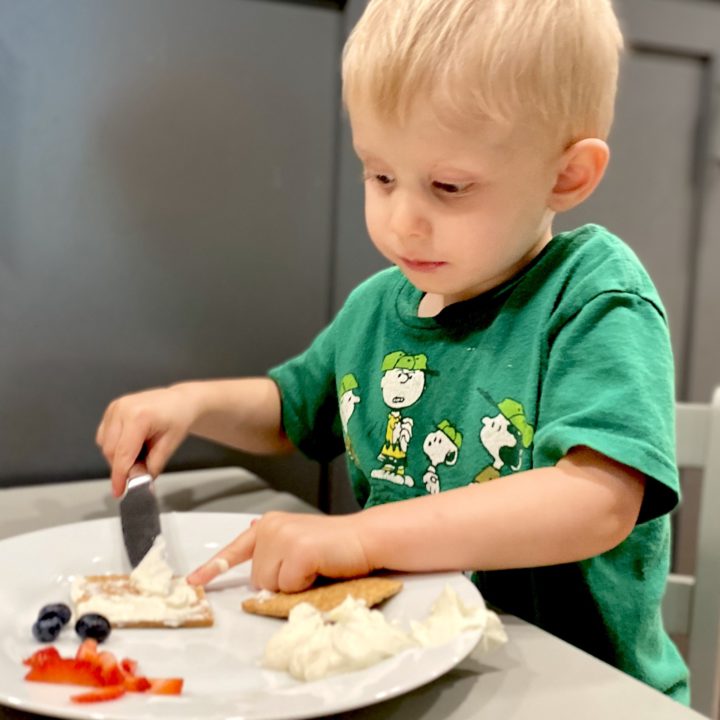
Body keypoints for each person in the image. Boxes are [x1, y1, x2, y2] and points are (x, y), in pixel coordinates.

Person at [96, 0, 689, 703]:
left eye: (448, 186)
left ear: (566, 175)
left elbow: (595, 503)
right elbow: (294, 408)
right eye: (380, 175)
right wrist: (188, 404)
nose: (401, 219)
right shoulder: (379, 306)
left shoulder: (592, 295)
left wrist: (364, 537)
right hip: (405, 667)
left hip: (572, 691)